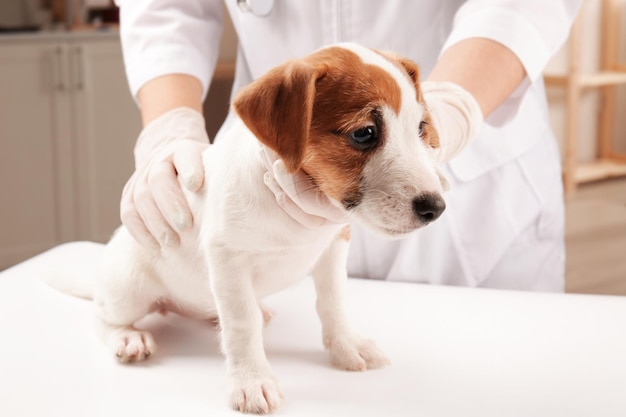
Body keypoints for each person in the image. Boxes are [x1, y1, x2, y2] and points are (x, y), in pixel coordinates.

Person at [113, 0, 583, 292]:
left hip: (482, 186)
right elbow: (163, 7)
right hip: (271, 181)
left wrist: (451, 109)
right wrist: (169, 126)